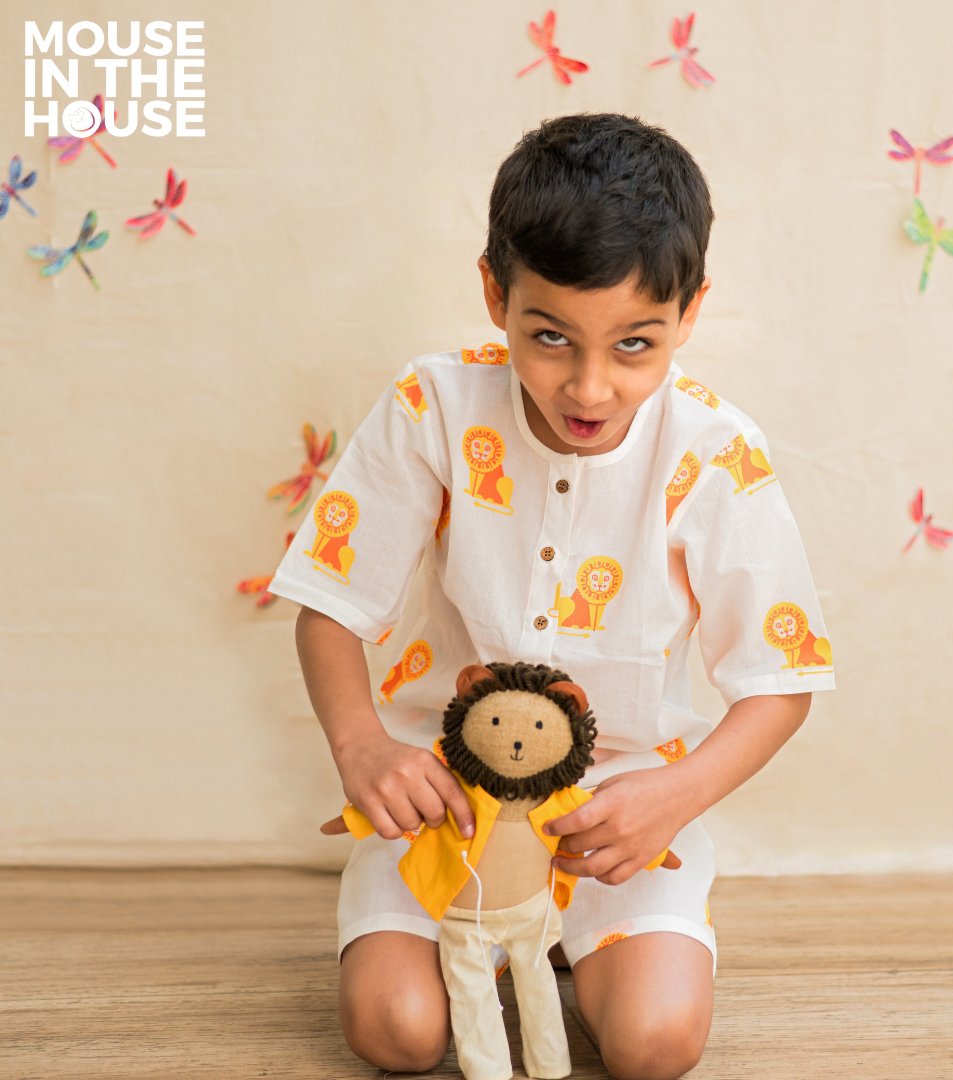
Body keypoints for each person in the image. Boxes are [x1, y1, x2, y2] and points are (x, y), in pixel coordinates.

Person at [270, 113, 834, 1080]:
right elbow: (329, 604)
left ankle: (575, 940)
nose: (589, 387)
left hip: (617, 822)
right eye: (549, 338)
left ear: (691, 312)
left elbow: (780, 683)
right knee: (396, 1034)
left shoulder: (716, 453)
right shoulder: (433, 407)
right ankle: (480, 937)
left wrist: (677, 796)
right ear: (495, 293)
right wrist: (362, 746)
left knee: (656, 1047)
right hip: (446, 808)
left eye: (635, 345)